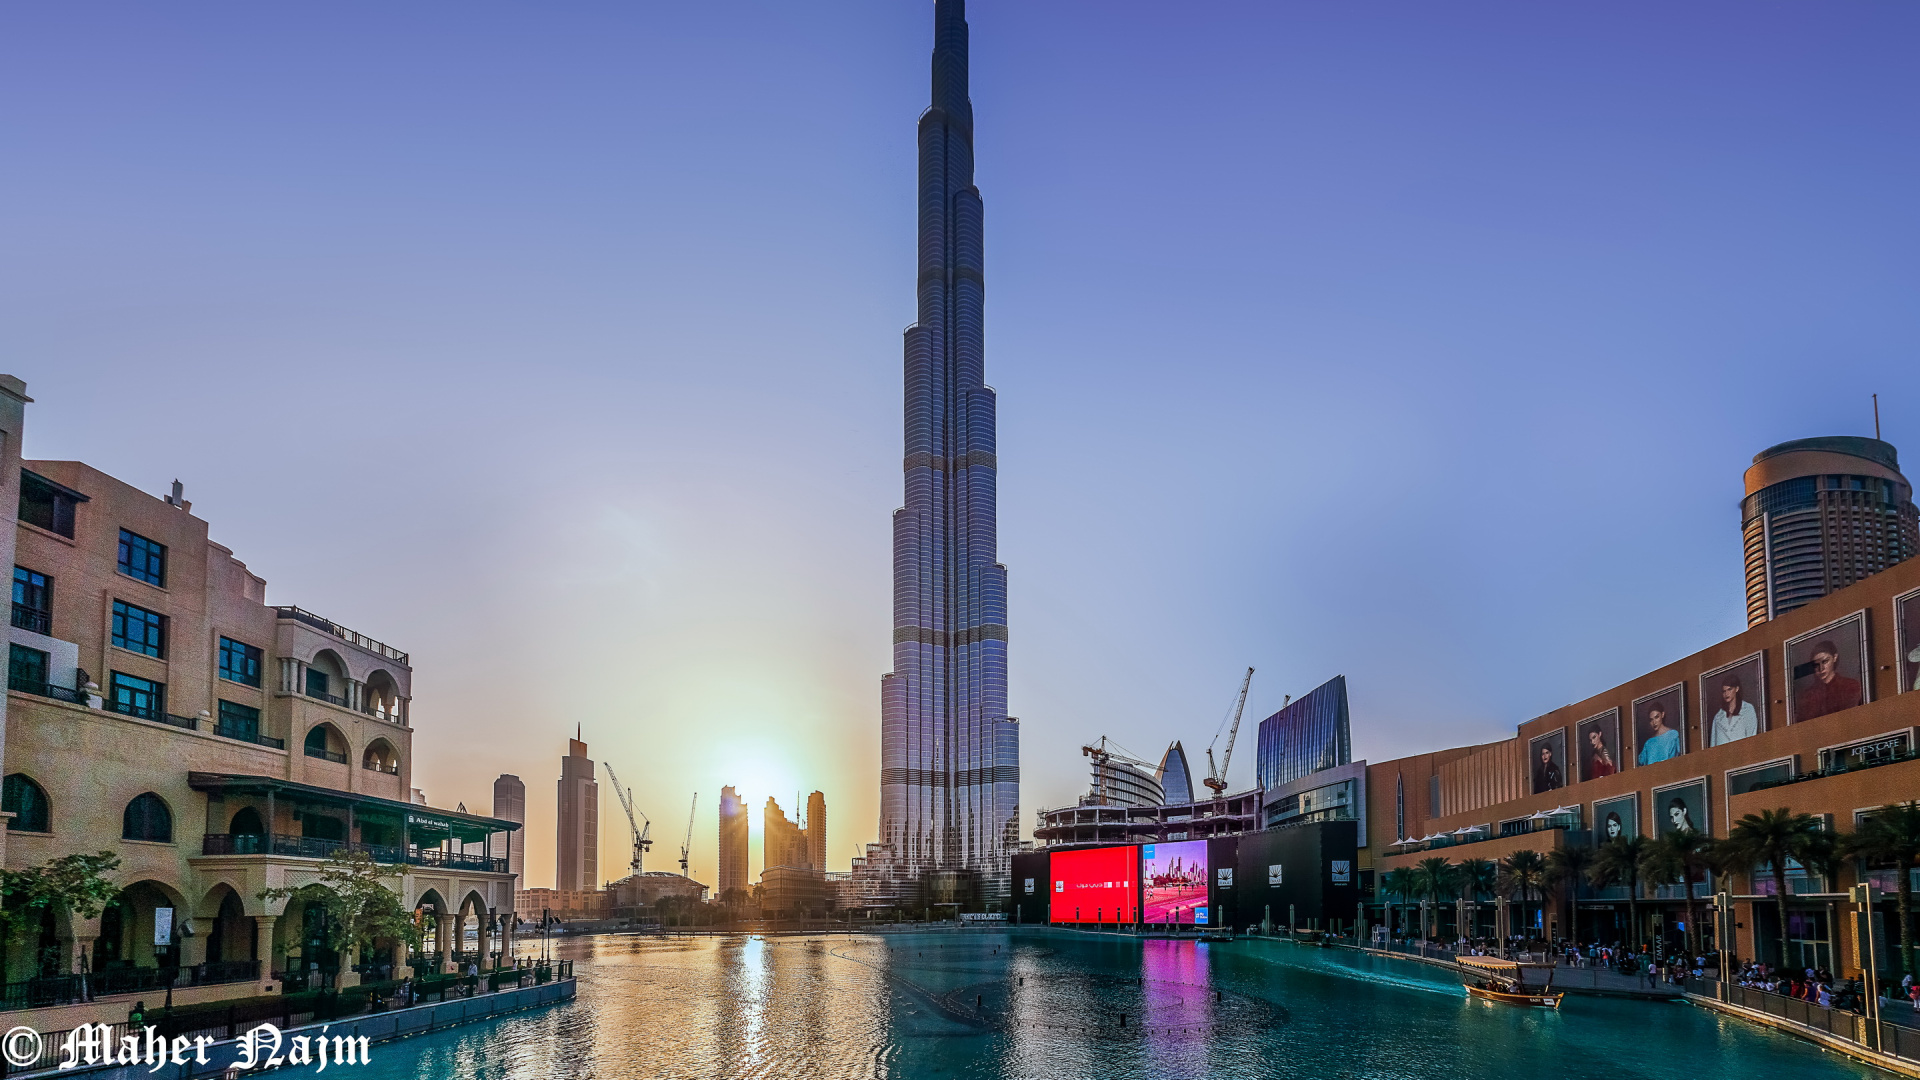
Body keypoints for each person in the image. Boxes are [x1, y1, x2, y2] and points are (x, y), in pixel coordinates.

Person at [1796, 640, 1863, 721]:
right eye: (1816, 665)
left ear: (1835, 658)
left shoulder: (1850, 686)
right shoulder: (1807, 696)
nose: (1821, 669)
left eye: (1825, 661)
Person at [1710, 672, 1760, 746]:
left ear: (1737, 689)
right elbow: (1713, 744)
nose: (1726, 694)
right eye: (1724, 691)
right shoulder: (1718, 717)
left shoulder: (1748, 709)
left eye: (1729, 689)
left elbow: (1752, 736)